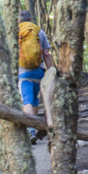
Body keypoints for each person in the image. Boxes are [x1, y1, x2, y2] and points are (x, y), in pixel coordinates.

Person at [17, 10, 52, 143]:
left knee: (27, 100)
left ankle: (31, 130)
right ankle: (36, 126)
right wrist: (51, 71)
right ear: (31, 19)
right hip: (39, 71)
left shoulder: (17, 33)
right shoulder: (39, 31)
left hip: (23, 73)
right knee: (36, 100)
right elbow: (47, 54)